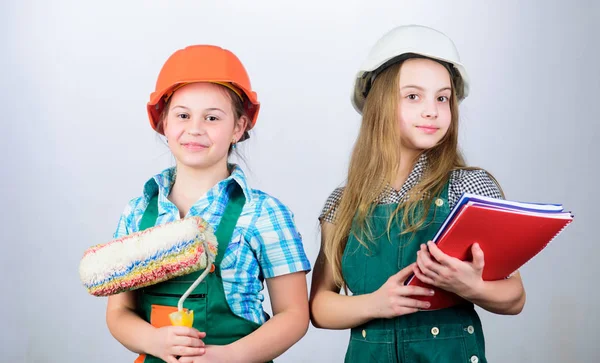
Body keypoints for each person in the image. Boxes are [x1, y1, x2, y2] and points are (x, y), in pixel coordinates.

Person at [309, 25, 526, 363]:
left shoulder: (468, 189)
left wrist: (473, 288)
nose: (432, 110)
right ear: (379, 104)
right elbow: (320, 308)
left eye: (442, 98)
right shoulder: (343, 201)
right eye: (413, 96)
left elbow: (515, 297)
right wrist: (375, 304)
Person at [106, 45, 311, 363]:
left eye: (212, 117)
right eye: (183, 115)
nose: (195, 128)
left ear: (239, 127)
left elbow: (294, 315)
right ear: (163, 123)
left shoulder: (264, 214)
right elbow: (119, 312)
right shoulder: (137, 214)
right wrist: (155, 341)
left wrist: (228, 357)